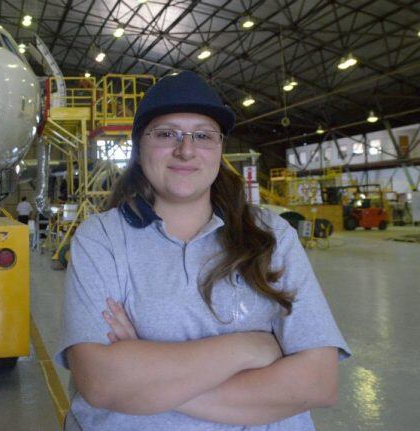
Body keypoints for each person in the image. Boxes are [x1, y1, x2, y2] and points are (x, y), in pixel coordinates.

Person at [55, 71, 350, 430]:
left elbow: (318, 382)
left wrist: (148, 382)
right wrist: (250, 348)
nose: (186, 149)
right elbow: (101, 383)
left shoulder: (272, 236)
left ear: (220, 148)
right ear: (139, 146)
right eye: (166, 134)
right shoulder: (100, 238)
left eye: (203, 135)